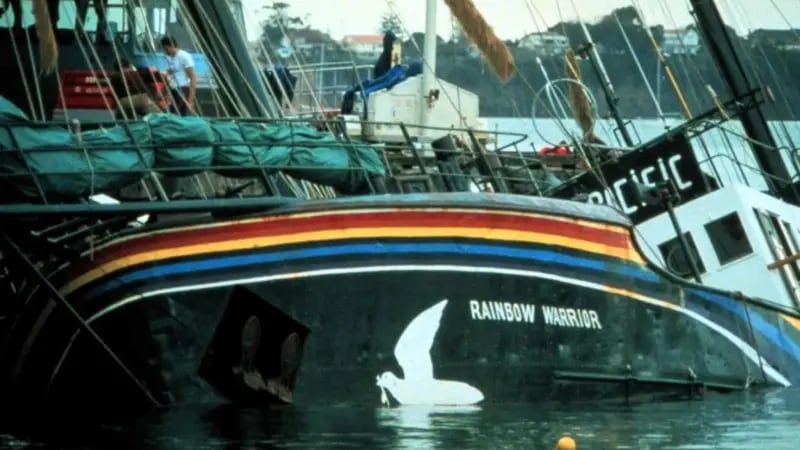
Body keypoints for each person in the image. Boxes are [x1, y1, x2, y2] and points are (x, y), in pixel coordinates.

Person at [160, 35, 196, 115]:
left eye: (167, 49)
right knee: (171, 113)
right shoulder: (170, 57)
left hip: (183, 89)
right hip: (174, 89)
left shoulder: (184, 56)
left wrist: (191, 101)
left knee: (177, 114)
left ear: (172, 46)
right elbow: (170, 71)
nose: (166, 52)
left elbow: (193, 77)